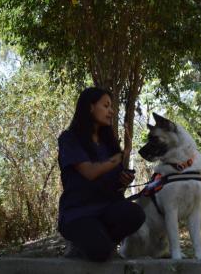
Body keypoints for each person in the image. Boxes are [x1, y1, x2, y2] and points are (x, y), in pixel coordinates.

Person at [57, 87, 145, 262]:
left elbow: (113, 184)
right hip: (78, 213)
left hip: (106, 209)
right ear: (90, 107)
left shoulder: (108, 144)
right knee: (101, 253)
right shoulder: (69, 139)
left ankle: (99, 241)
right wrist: (122, 155)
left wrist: (123, 180)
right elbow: (90, 172)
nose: (111, 111)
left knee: (136, 214)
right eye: (106, 106)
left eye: (111, 107)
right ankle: (80, 243)